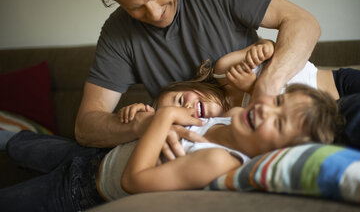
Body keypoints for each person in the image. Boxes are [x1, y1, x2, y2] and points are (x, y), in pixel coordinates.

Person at [75, 0, 321, 149]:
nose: (155, 13)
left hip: (313, 101)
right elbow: (86, 126)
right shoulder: (117, 33)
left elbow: (303, 22)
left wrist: (266, 89)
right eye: (135, 7)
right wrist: (146, 125)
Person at [0, 83, 342, 211]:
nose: (267, 108)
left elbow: (134, 182)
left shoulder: (219, 162)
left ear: (278, 154)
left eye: (279, 122)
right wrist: (142, 115)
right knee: (23, 146)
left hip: (82, 191)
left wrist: (163, 118)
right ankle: (11, 134)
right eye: (278, 100)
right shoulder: (233, 116)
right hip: (93, 154)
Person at [203, 38, 360, 107]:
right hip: (330, 112)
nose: (190, 108)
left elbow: (269, 45)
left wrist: (266, 48)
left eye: (181, 100)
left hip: (339, 82)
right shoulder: (231, 119)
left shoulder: (222, 70)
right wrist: (253, 88)